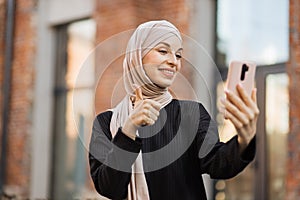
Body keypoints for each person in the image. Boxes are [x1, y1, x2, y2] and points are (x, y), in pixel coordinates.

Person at [89, 20, 259, 200]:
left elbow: (220, 164)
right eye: (163, 51)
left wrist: (244, 140)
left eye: (178, 55)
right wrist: (129, 129)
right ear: (137, 55)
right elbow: (109, 188)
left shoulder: (191, 114)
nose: (173, 62)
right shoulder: (106, 122)